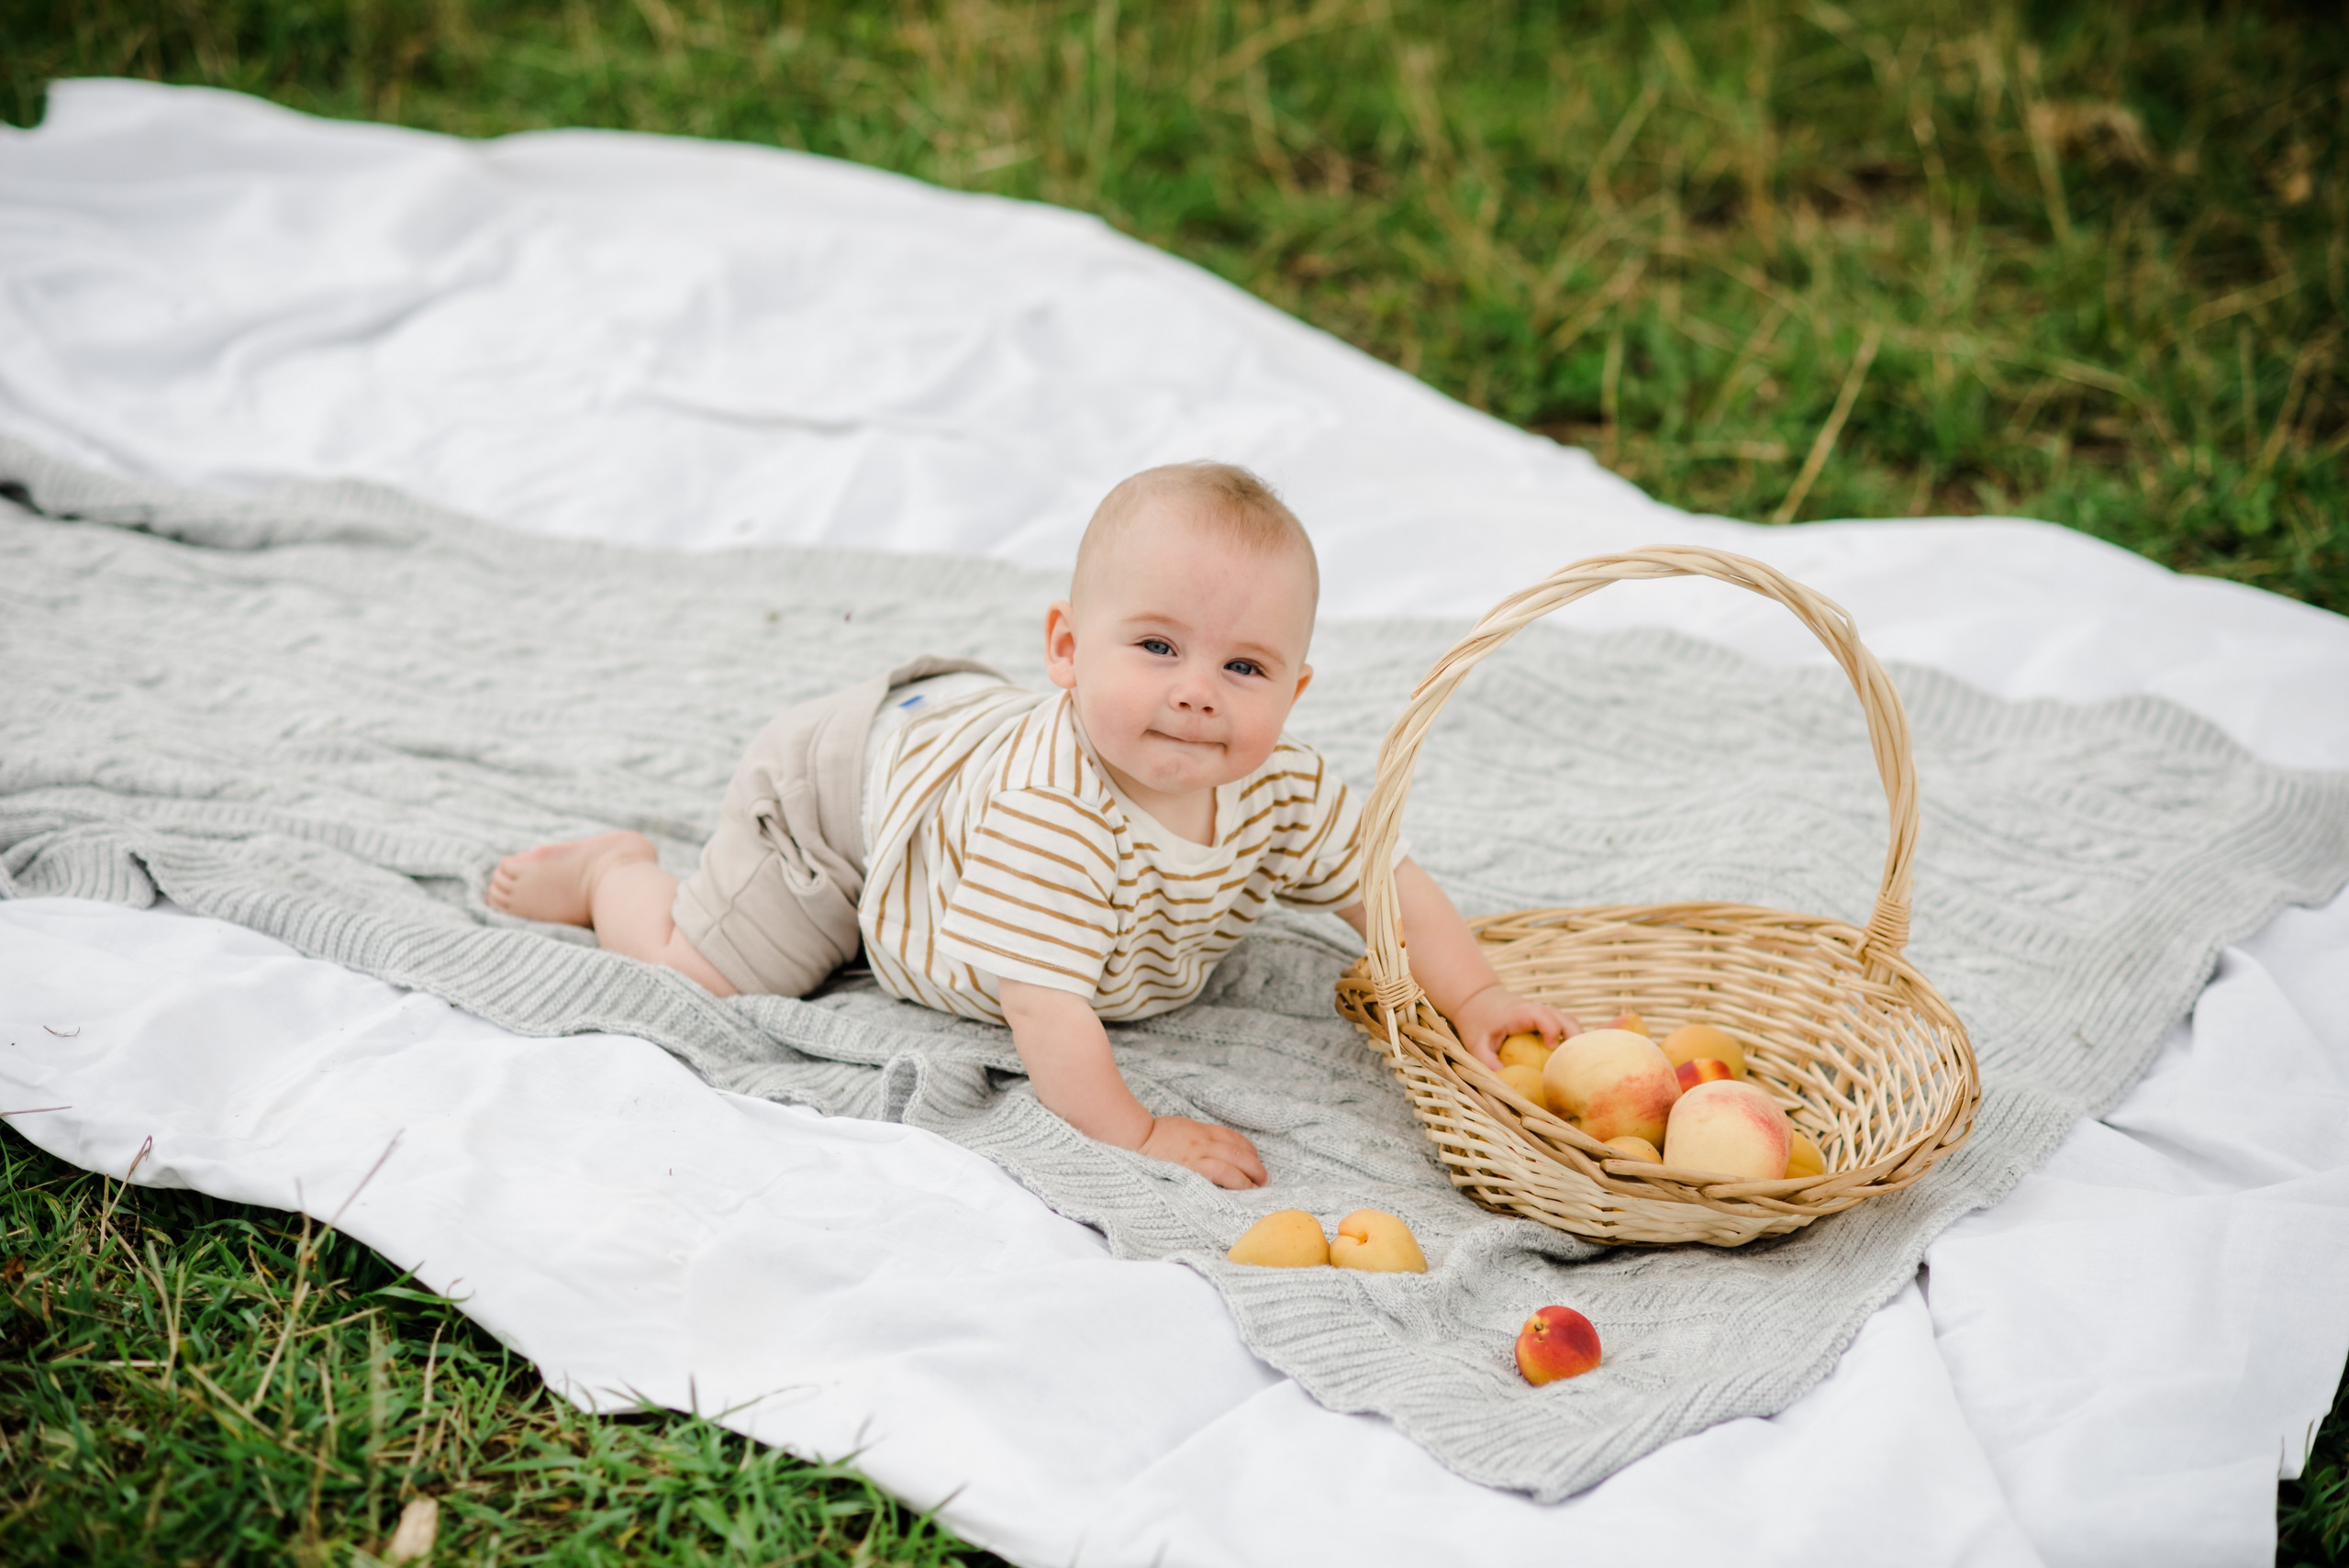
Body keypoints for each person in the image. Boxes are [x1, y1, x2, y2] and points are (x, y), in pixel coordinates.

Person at [490, 462, 1575, 1187]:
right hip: (844, 792)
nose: (1199, 691)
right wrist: (1137, 1132)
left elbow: (1381, 880)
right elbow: (1043, 1007)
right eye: (1155, 646)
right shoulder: (1053, 821)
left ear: (1293, 690)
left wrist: (1474, 995)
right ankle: (612, 875)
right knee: (715, 976)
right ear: (1066, 647)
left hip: (955, 738)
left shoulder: (1278, 786)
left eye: (1242, 666)